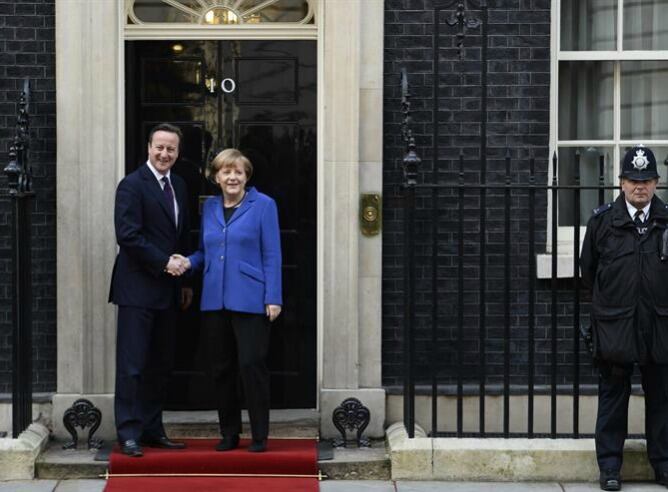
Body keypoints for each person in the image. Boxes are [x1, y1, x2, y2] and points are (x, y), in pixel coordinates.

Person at [174, 148, 282, 453]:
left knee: (252, 366)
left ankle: (259, 435)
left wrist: (273, 297)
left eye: (238, 172)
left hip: (251, 298)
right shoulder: (209, 207)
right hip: (214, 299)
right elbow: (204, 251)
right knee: (221, 370)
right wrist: (187, 263)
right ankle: (229, 433)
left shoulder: (263, 205)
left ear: (246, 176)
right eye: (226, 172)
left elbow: (272, 254)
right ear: (216, 177)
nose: (232, 177)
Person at [581, 145, 668, 491]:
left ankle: (662, 465)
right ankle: (610, 468)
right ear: (620, 183)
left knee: (662, 398)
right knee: (613, 396)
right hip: (616, 324)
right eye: (633, 180)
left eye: (646, 180)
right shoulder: (603, 222)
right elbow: (588, 271)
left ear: (656, 182)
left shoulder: (666, 221)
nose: (639, 187)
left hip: (659, 325)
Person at [109, 123, 192, 457]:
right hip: (137, 289)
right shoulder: (131, 185)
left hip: (169, 290)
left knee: (160, 364)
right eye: (159, 147)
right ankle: (128, 432)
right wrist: (163, 263)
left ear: (177, 153)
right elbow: (127, 235)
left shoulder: (181, 186)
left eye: (171, 149)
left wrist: (185, 281)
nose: (164, 154)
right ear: (148, 147)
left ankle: (152, 429)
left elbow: (182, 236)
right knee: (132, 365)